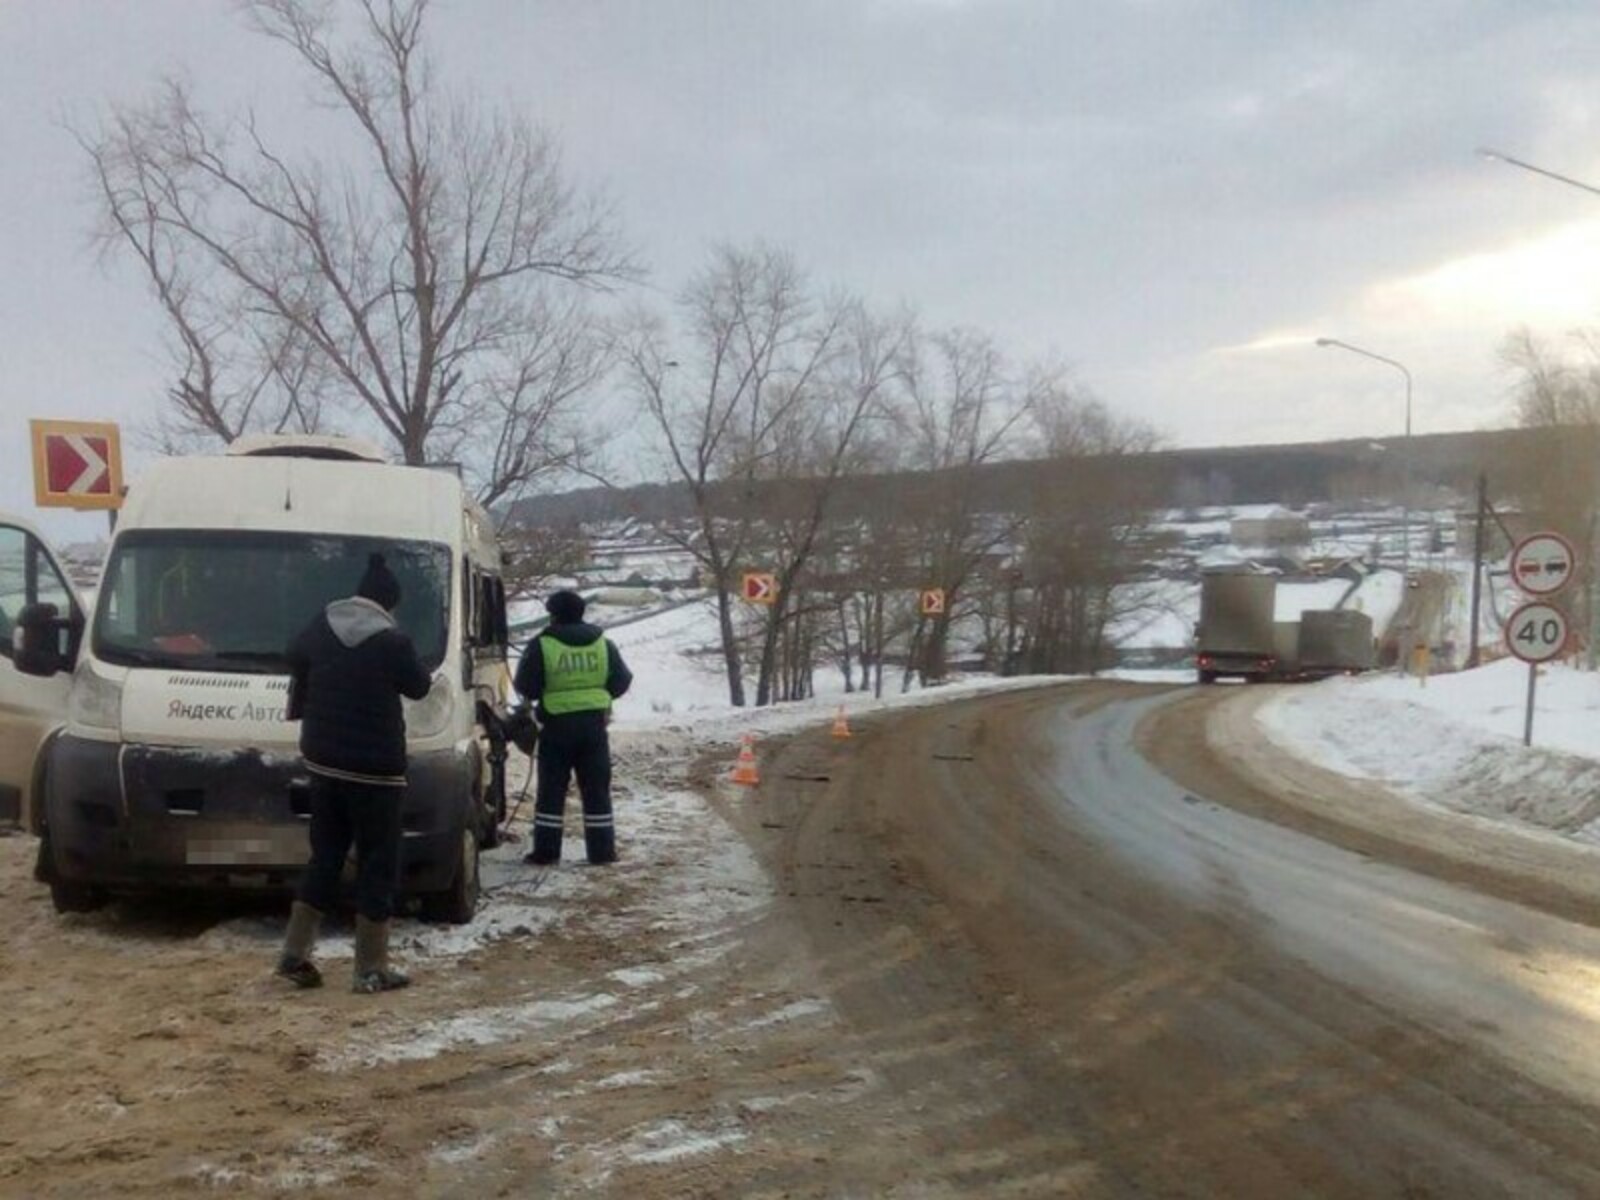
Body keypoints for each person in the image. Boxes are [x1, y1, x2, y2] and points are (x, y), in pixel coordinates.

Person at [275, 553, 432, 993]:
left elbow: (293, 654)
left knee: (324, 856)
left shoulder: (320, 625)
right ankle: (371, 967)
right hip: (375, 772)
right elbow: (418, 687)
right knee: (378, 861)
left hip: (323, 763)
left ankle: (294, 953)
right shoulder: (392, 641)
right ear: (388, 603)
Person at [514, 590, 632, 866]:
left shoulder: (542, 645)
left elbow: (525, 685)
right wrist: (600, 697)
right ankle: (602, 852)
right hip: (594, 726)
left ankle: (546, 852)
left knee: (552, 791)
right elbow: (622, 680)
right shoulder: (603, 643)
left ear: (554, 615)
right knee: (596, 789)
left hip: (556, 725)